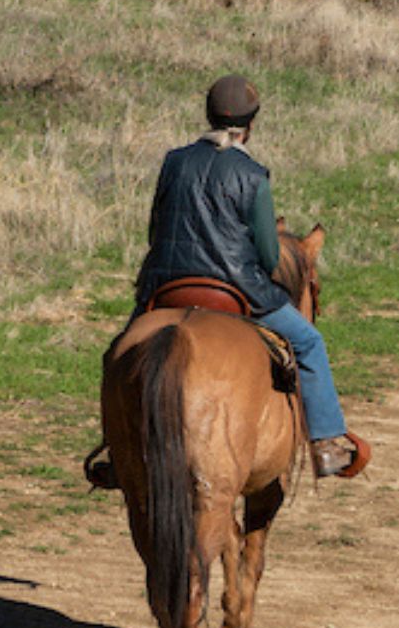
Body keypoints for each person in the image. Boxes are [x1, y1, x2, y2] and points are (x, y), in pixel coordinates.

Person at [118, 75, 354, 480]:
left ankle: (115, 446)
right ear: (251, 124)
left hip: (166, 287)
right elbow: (268, 254)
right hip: (235, 290)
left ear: (207, 115)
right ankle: (325, 444)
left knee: (121, 353)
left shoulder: (174, 161)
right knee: (309, 342)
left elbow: (155, 231)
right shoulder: (253, 174)